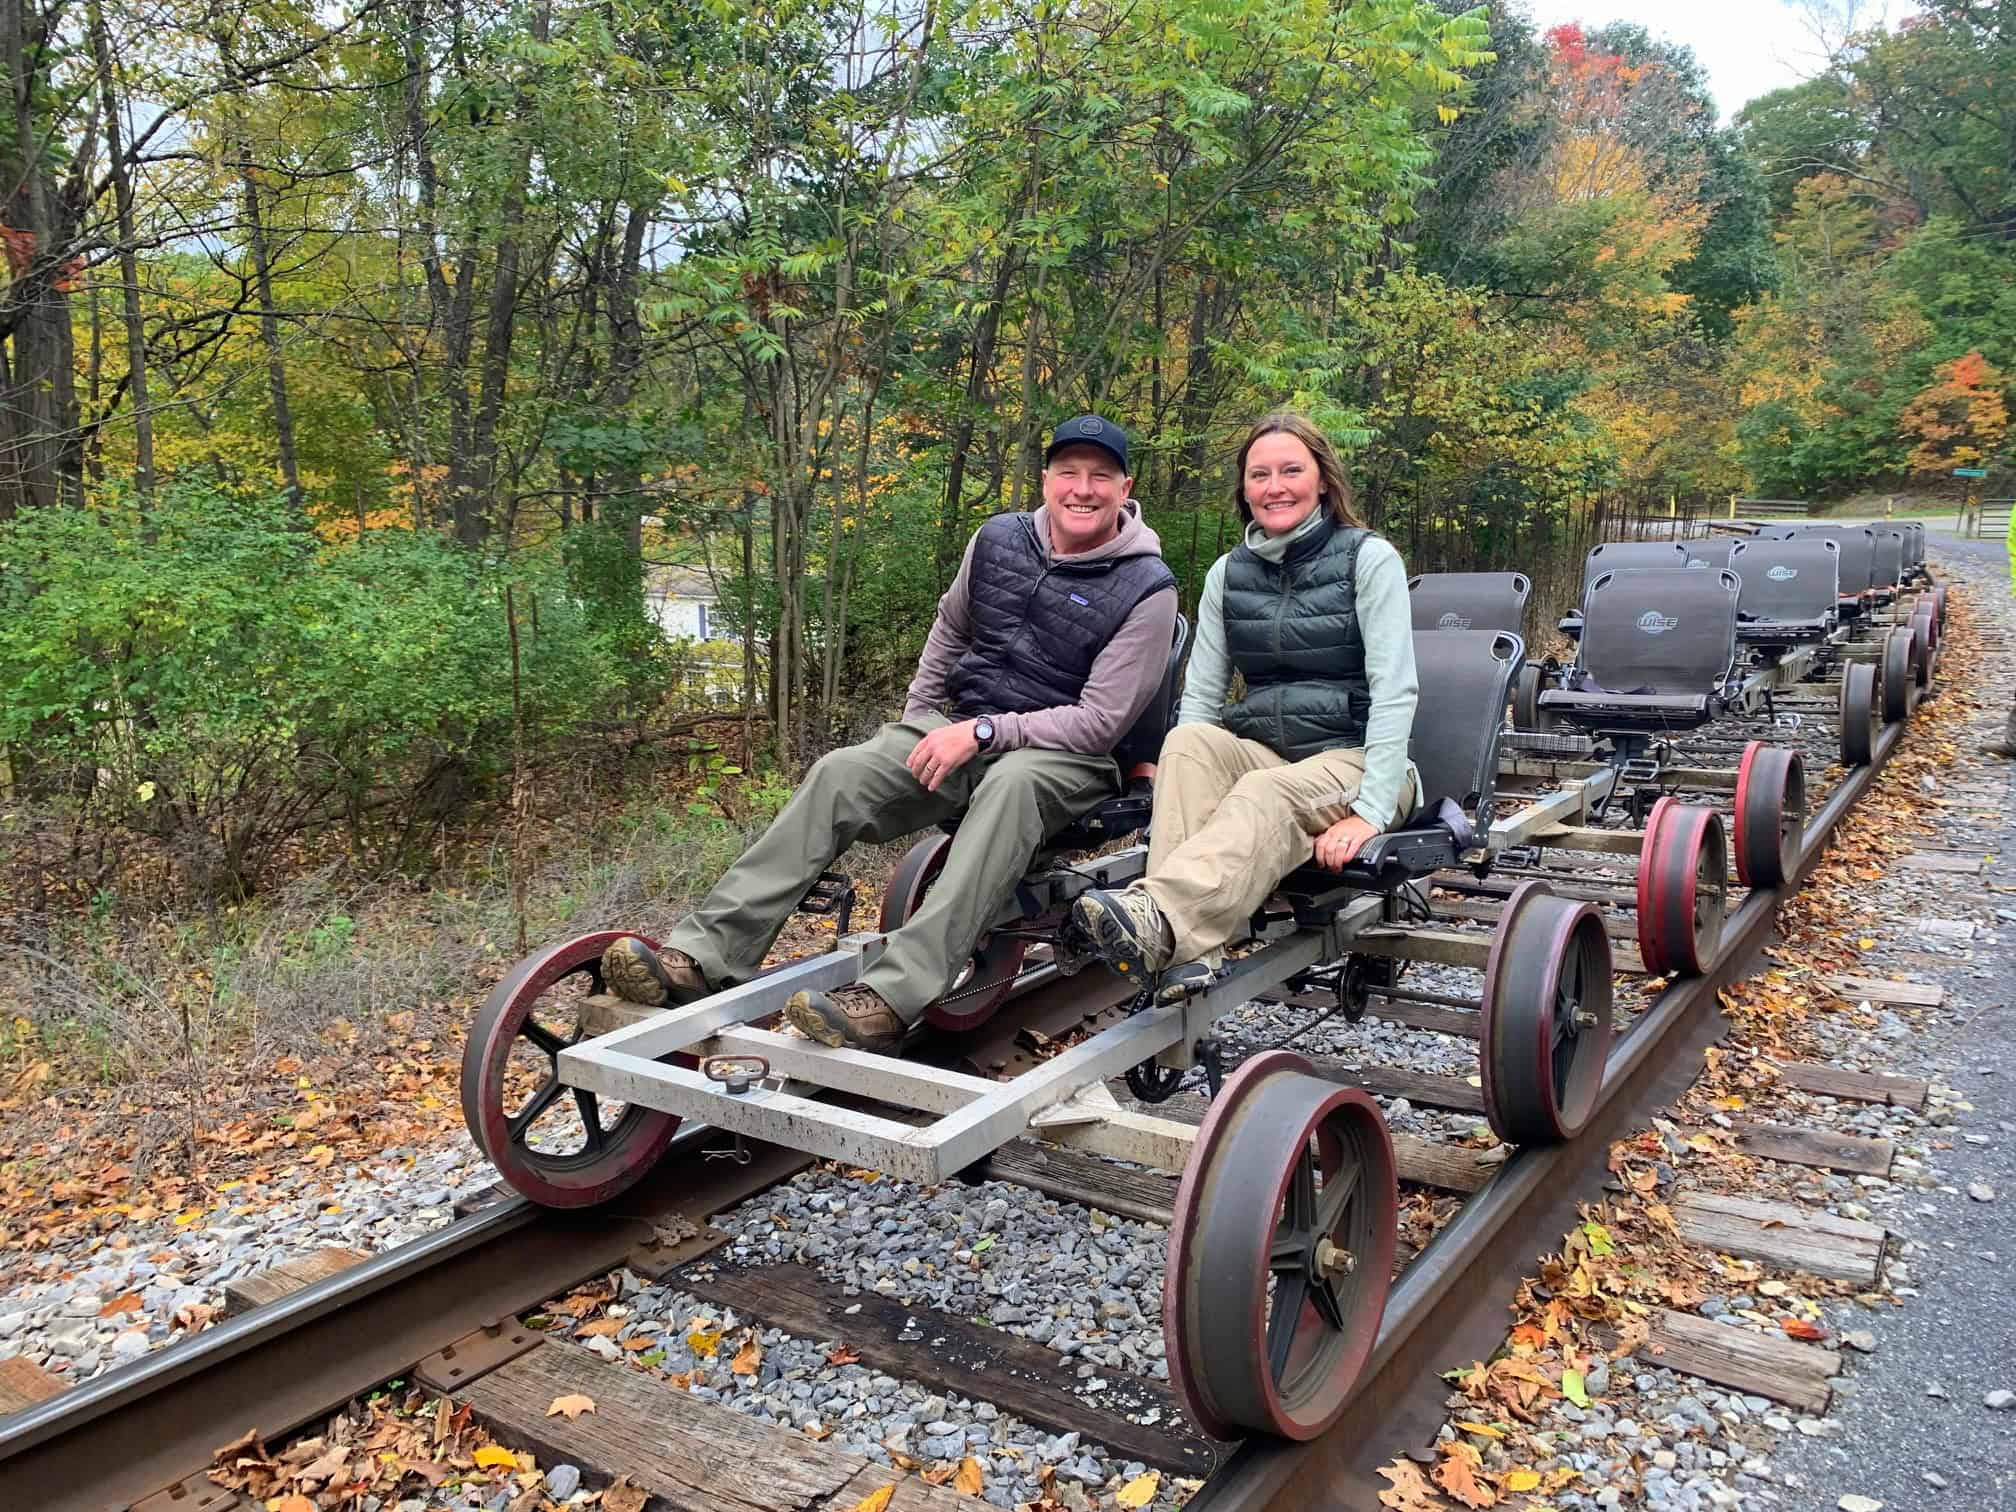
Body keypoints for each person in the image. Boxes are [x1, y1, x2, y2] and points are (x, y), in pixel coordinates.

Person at [599, 415, 1179, 1052]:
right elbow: (951, 629)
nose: (1083, 489)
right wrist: (920, 719)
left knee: (1013, 786)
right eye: (1069, 472)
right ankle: (703, 956)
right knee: (843, 772)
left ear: (1125, 488)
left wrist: (985, 732)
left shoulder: (1147, 588)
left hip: (1066, 756)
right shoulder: (997, 540)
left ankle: (891, 994)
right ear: (1045, 480)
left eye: (1100, 476)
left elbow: (1100, 720)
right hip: (964, 728)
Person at [1065, 411, 1419, 982]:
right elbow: (1201, 697)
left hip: (1357, 760)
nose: (1274, 486)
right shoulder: (1228, 573)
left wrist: (1371, 813)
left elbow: (1395, 690)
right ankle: (1189, 957)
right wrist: (1184, 788)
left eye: (1290, 471)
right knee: (1187, 741)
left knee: (1263, 789)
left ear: (1322, 480)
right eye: (1259, 475)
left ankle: (1158, 921)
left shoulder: (1368, 559)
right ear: (1244, 489)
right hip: (1271, 756)